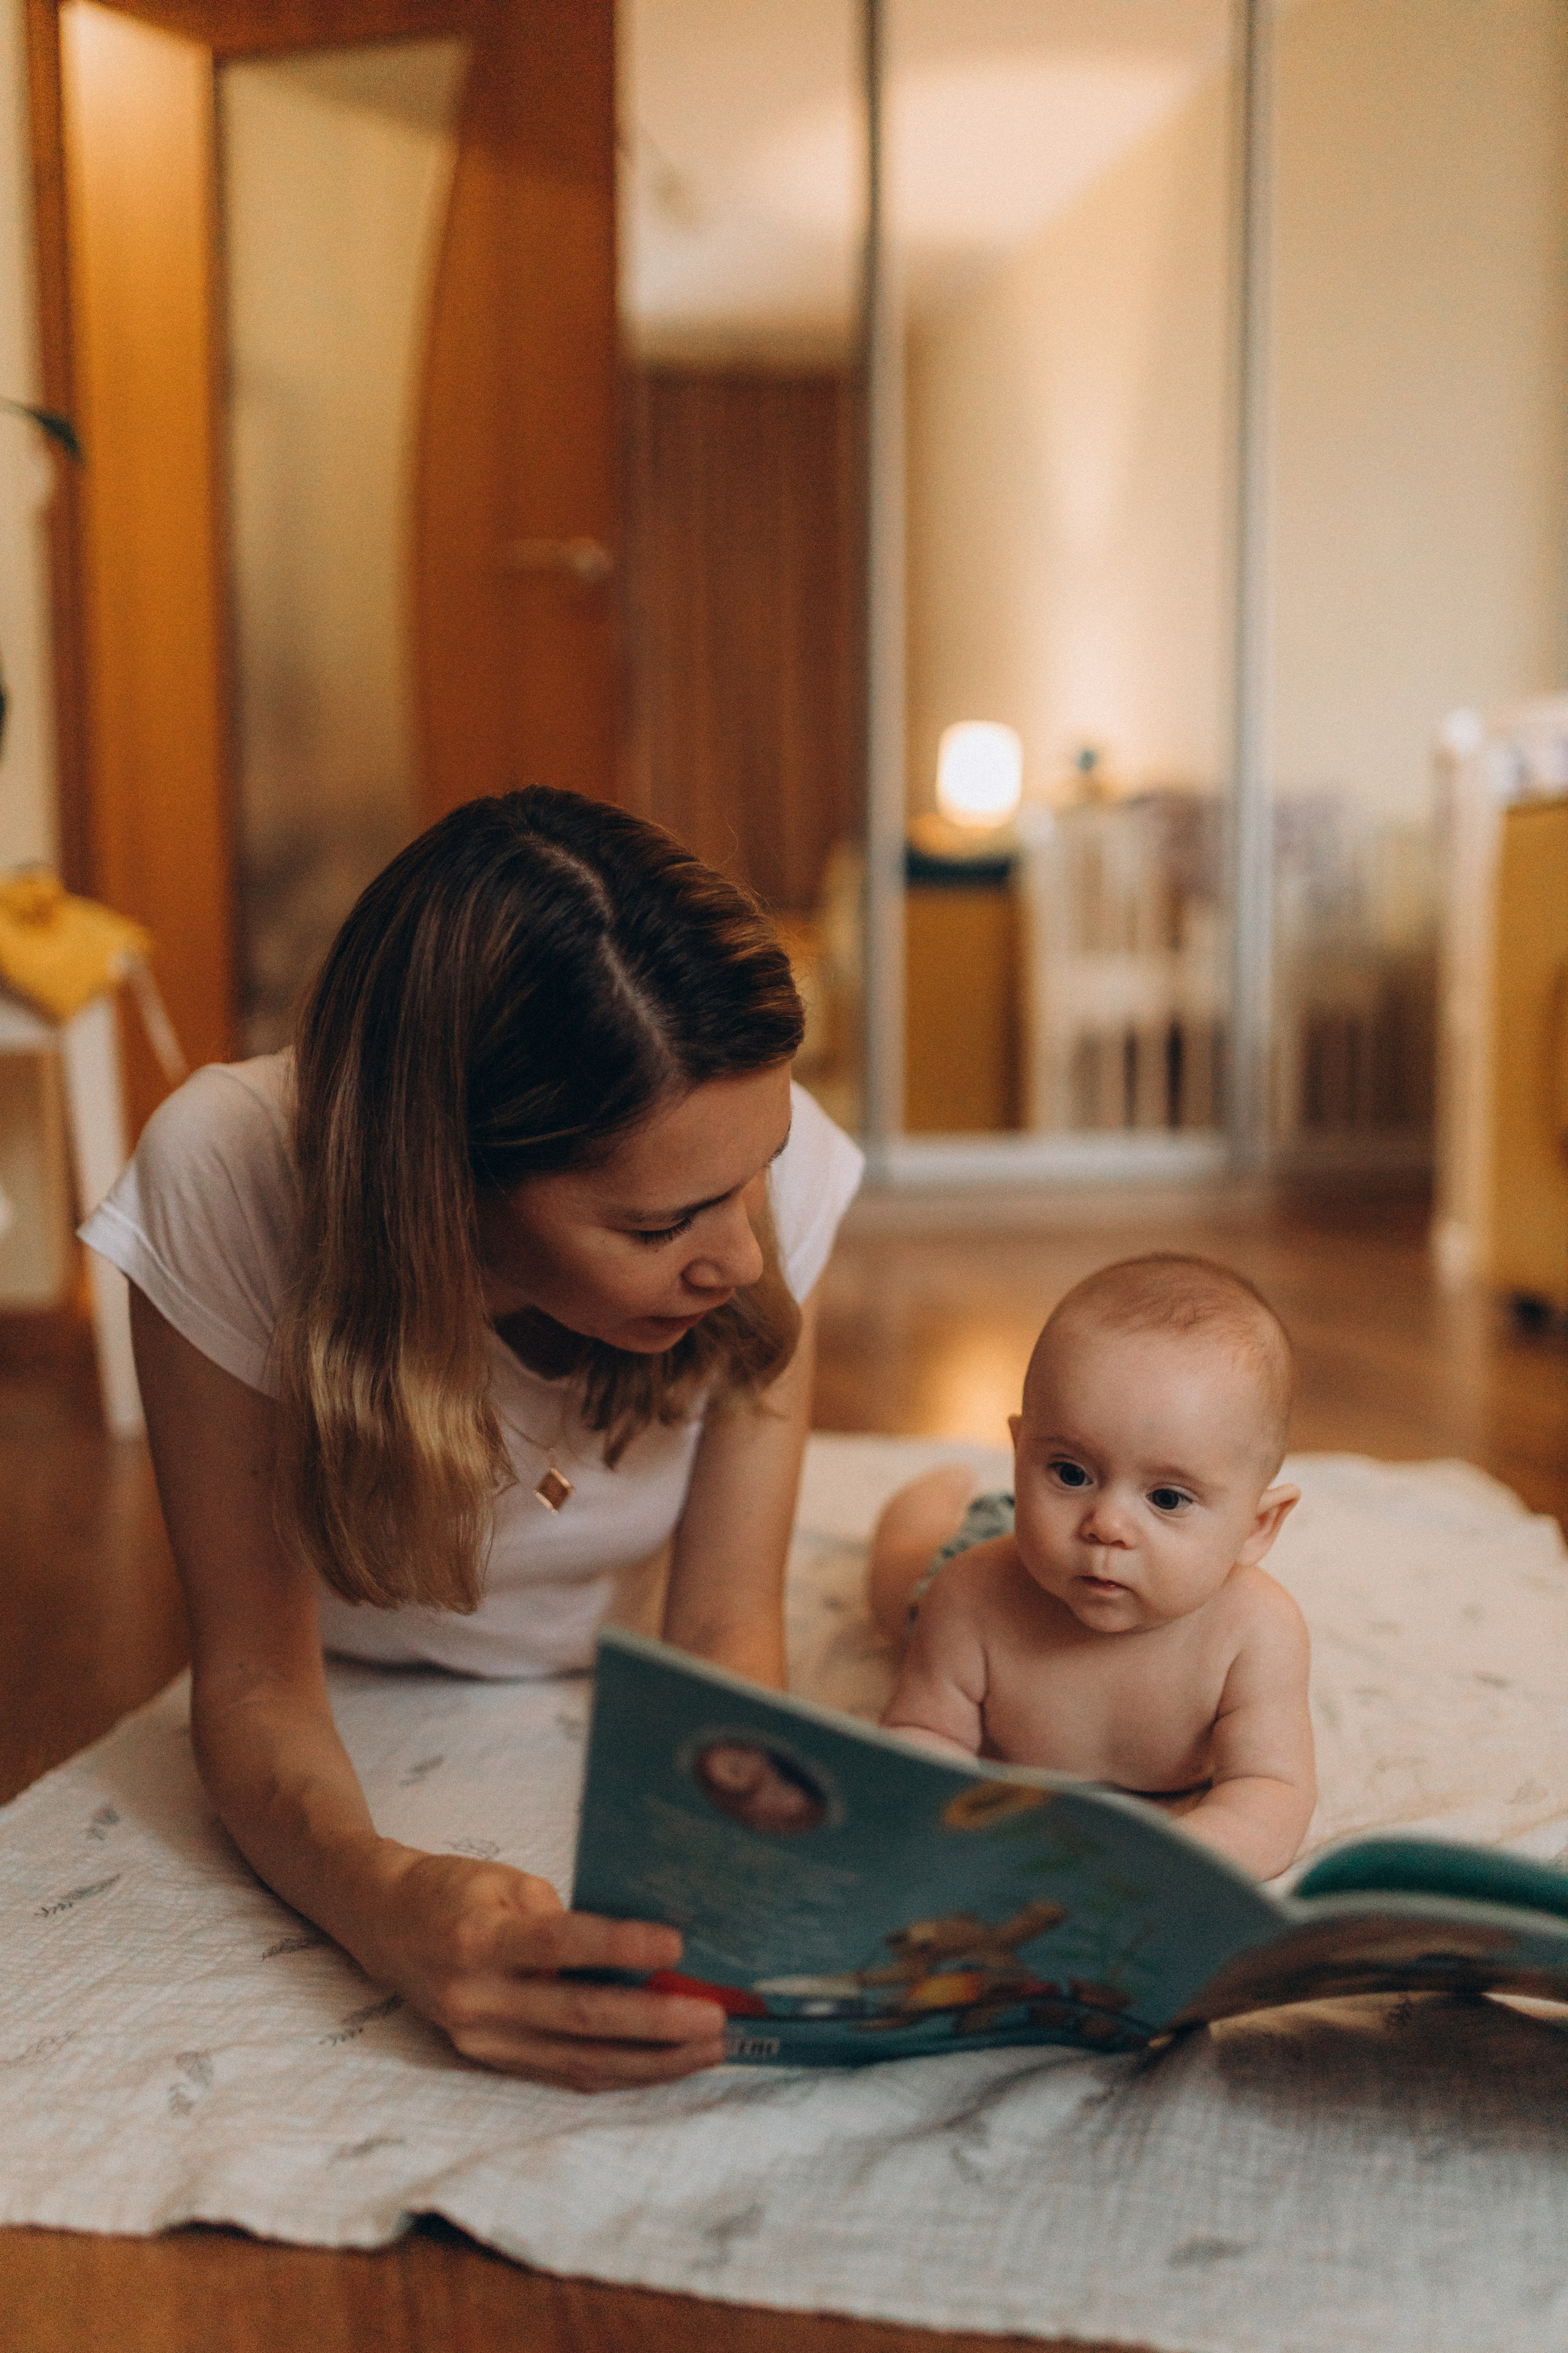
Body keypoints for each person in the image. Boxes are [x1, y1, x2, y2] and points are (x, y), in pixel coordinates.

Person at [83, 788, 862, 2091]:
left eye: (760, 1175)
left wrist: (748, 1871)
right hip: (354, 1682)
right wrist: (383, 1900)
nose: (740, 1257)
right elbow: (258, 1684)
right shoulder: (225, 1169)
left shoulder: (740, 1140)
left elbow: (727, 1622)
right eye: (659, 1225)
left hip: (616, 1653)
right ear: (443, 1185)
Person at [868, 1254, 1315, 1879]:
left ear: (1257, 1526)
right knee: (896, 1587)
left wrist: (1173, 1865)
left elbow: (1271, 1790)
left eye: (1167, 1498)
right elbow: (923, 1735)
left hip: (1044, 1546)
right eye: (1070, 1472)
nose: (1106, 1524)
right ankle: (929, 1499)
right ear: (1021, 1452)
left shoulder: (1256, 1633)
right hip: (1014, 1552)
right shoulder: (969, 1596)